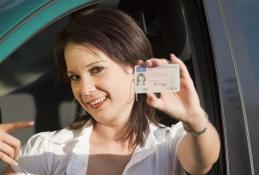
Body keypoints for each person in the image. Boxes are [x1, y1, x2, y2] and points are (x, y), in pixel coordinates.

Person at [2, 8, 220, 175]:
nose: (84, 89)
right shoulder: (48, 148)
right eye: (74, 77)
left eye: (96, 69)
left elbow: (202, 161)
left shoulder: (169, 144)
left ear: (136, 70)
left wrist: (195, 119)